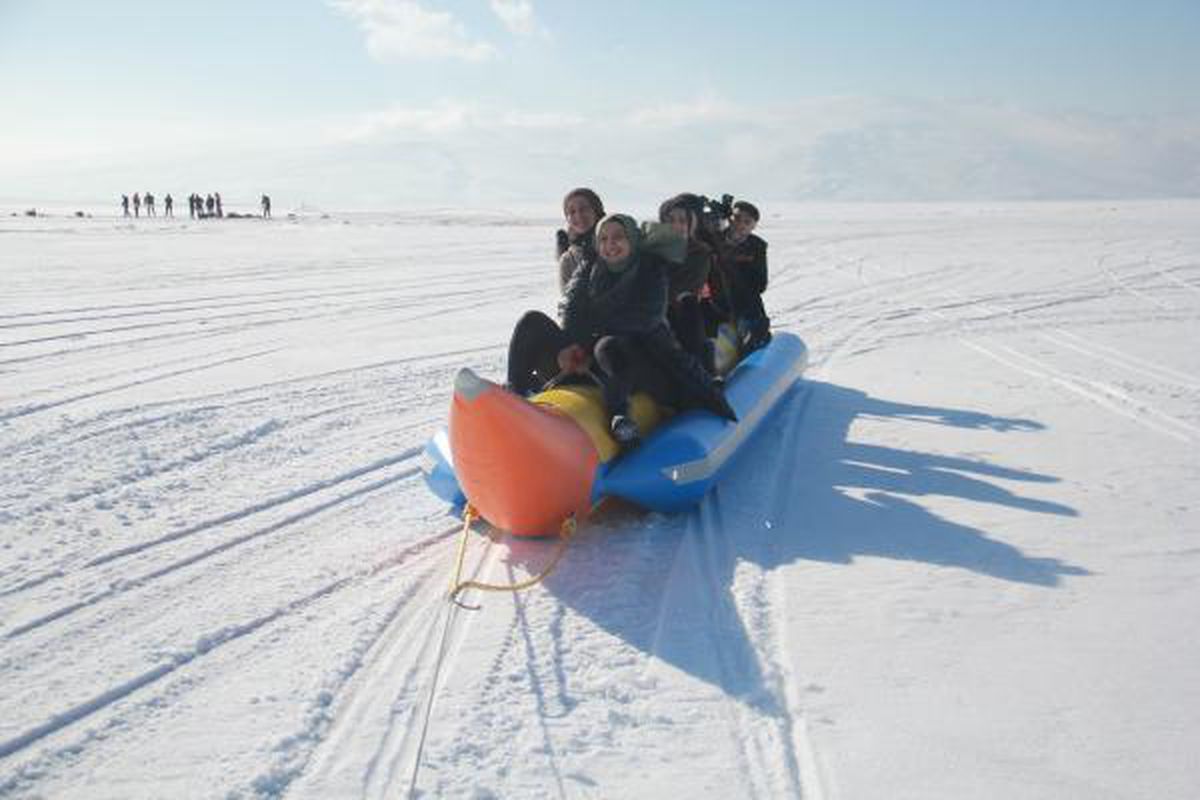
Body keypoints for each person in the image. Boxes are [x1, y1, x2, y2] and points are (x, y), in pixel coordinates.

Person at [508, 213, 735, 445]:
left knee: (610, 345)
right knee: (531, 322)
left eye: (618, 237)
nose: (610, 244)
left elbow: (643, 319)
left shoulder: (651, 269)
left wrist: (587, 343)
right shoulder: (590, 267)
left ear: (633, 241)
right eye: (603, 239)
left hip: (635, 359)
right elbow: (571, 306)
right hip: (588, 359)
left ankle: (620, 417)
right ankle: (515, 397)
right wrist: (572, 345)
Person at [658, 193, 716, 372]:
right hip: (652, 312)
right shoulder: (652, 252)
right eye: (671, 220)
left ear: (691, 224)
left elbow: (687, 287)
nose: (677, 226)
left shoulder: (700, 253)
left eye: (682, 220)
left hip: (681, 314)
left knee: (687, 302)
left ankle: (705, 370)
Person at [717, 200, 771, 352]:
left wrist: (738, 264)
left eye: (746, 222)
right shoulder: (714, 238)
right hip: (716, 298)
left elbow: (760, 284)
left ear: (753, 226)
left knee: (758, 331)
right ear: (729, 218)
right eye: (736, 218)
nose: (740, 225)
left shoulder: (757, 246)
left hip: (744, 299)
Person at [556, 187, 605, 291]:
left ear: (596, 211)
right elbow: (568, 301)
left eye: (584, 209)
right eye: (572, 212)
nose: (579, 215)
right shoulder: (568, 259)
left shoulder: (618, 242)